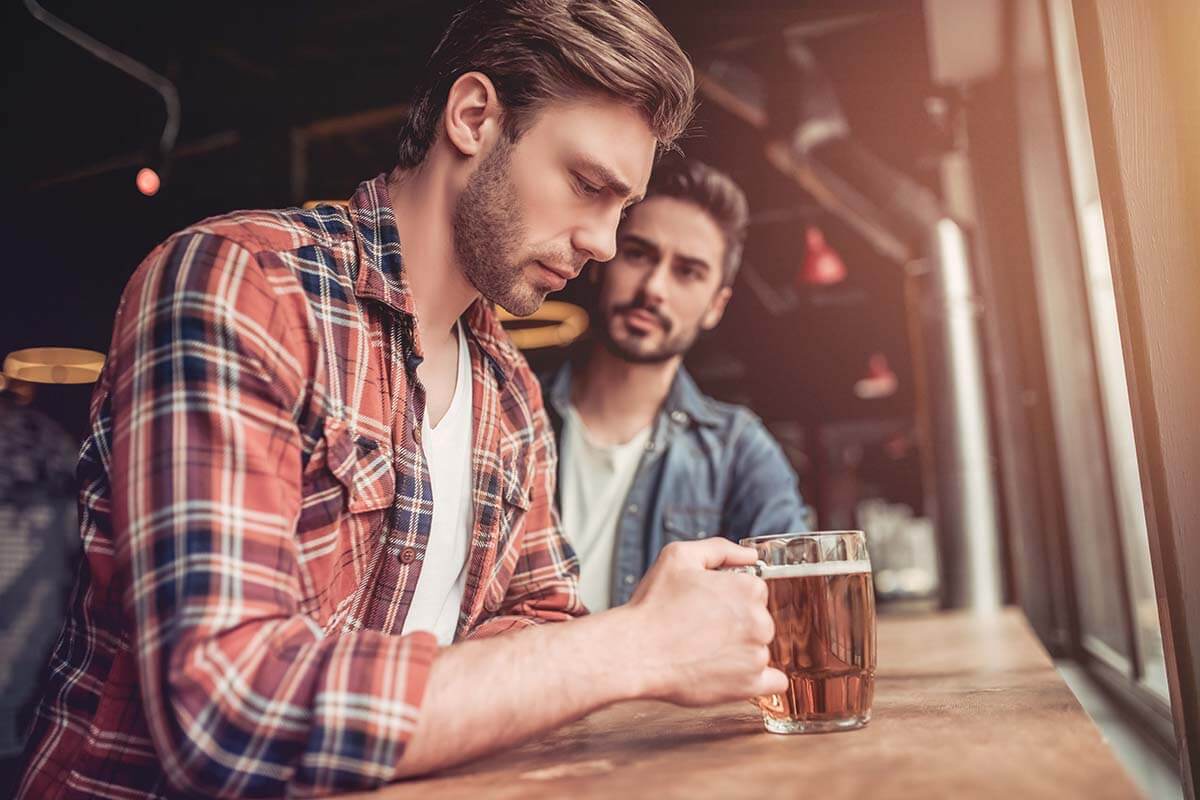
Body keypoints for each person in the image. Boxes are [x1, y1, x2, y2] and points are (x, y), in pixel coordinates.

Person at [16, 2, 787, 798]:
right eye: (587, 185)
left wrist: (558, 662)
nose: (603, 241)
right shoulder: (242, 287)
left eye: (619, 207)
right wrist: (633, 647)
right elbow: (230, 715)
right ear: (475, 116)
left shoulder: (511, 393)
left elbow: (544, 620)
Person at [542, 157, 809, 611]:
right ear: (602, 260)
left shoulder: (738, 452)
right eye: (639, 254)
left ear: (716, 306)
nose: (654, 288)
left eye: (688, 271)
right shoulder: (510, 409)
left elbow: (791, 608)